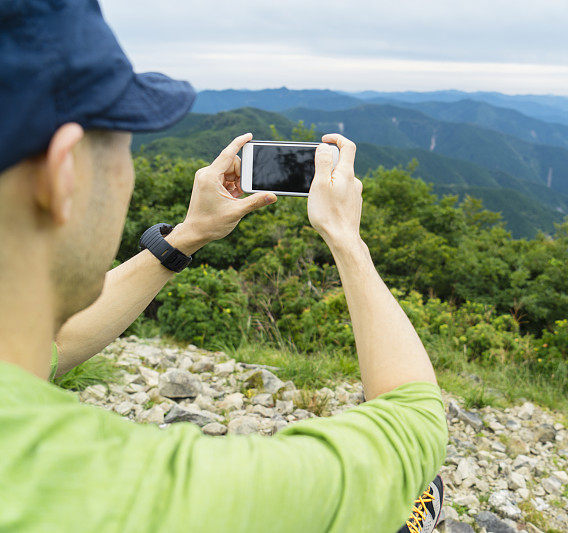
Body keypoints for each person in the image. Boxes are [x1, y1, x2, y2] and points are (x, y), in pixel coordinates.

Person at [0, 1, 447, 532]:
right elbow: (415, 421)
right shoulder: (159, 497)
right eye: (124, 146)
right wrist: (347, 239)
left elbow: (52, 348)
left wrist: (188, 236)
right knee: (406, 509)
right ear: (61, 177)